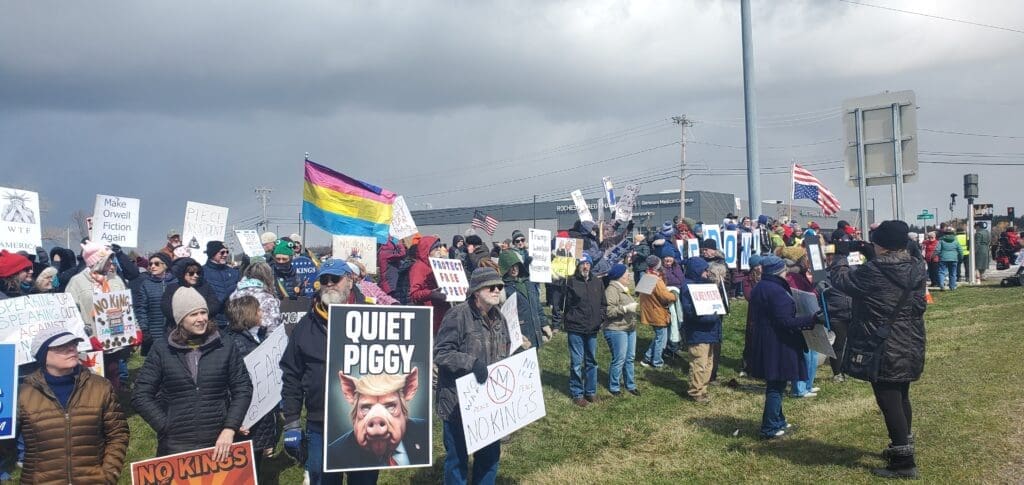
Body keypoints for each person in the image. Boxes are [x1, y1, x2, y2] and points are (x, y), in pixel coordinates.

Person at [829, 220, 927, 479]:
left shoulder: (873, 270)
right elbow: (894, 268)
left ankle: (904, 462)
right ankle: (902, 445)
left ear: (881, 244)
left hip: (883, 342)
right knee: (901, 394)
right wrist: (874, 253)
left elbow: (842, 280)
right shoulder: (916, 266)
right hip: (910, 339)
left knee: (889, 399)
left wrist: (840, 254)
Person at [280, 260, 378, 485]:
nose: (330, 284)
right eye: (324, 280)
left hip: (364, 422)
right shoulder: (306, 326)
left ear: (350, 281)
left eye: (335, 278)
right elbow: (291, 375)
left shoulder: (373, 318)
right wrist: (292, 421)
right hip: (320, 423)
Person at [133, 286, 253, 458]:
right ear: (180, 319)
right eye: (193, 314)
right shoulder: (162, 349)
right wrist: (165, 425)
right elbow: (140, 395)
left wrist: (229, 428)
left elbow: (243, 388)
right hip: (176, 443)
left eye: (203, 313)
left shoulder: (225, 345)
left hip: (219, 441)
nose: (201, 319)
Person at [17, 325, 129, 484]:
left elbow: (118, 433)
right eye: (62, 347)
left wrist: (108, 473)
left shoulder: (101, 387)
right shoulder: (23, 394)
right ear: (43, 355)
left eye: (73, 344)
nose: (72, 349)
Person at [435, 267, 511, 484]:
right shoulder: (457, 315)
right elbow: (441, 353)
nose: (497, 290)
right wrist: (471, 363)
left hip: (490, 401)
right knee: (457, 459)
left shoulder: (500, 317)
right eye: (492, 286)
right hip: (458, 402)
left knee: (489, 456)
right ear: (477, 291)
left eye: (500, 286)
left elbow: (505, 347)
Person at [746, 255, 818, 439]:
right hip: (777, 342)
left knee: (777, 383)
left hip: (767, 340)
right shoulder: (775, 290)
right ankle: (769, 427)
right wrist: (811, 320)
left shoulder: (762, 286)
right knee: (776, 385)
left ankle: (778, 420)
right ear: (779, 270)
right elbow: (785, 321)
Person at [64, 242, 132, 390]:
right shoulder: (77, 282)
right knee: (93, 378)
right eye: (108, 259)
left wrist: (134, 329)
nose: (111, 262)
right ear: (97, 261)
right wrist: (87, 337)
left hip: (113, 337)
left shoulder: (115, 280)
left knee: (113, 373)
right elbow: (71, 314)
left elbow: (126, 307)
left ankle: (113, 407)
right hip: (91, 341)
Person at [224, 295, 278, 468]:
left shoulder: (255, 337)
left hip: (259, 409)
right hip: (246, 414)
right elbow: (233, 385)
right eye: (258, 310)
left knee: (255, 462)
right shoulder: (237, 344)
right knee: (245, 466)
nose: (261, 313)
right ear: (249, 314)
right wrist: (237, 419)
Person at [562, 254, 606, 407]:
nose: (585, 267)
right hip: (576, 327)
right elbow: (563, 304)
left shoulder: (597, 282)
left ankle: (590, 392)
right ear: (577, 266)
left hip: (592, 328)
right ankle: (577, 393)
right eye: (582, 264)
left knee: (592, 361)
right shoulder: (571, 282)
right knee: (576, 362)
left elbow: (603, 304)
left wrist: (600, 318)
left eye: (587, 263)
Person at [679, 257, 722, 403]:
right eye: (704, 270)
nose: (707, 272)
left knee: (708, 362)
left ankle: (703, 388)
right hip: (698, 331)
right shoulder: (687, 287)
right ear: (696, 270)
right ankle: (695, 391)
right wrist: (708, 317)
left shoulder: (704, 284)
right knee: (699, 362)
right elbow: (690, 311)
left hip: (709, 330)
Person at [601, 263, 640, 396]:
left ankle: (630, 384)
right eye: (626, 275)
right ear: (619, 277)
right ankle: (614, 386)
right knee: (619, 358)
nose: (629, 276)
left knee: (630, 358)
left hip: (629, 327)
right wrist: (625, 308)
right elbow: (608, 311)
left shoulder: (624, 288)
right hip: (616, 329)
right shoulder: (611, 290)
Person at [499, 250, 548, 348]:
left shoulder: (528, 283)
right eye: (510, 267)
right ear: (504, 269)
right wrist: (514, 336)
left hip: (535, 332)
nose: (514, 269)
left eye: (516, 265)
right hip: (520, 336)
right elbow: (503, 318)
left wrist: (544, 324)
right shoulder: (503, 289)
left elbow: (537, 305)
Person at [131, 252, 177, 354]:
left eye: (156, 264)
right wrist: (144, 330)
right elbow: (141, 309)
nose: (152, 266)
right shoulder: (146, 284)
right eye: (150, 264)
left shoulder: (176, 282)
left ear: (166, 265)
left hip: (173, 331)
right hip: (153, 333)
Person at [160, 257, 221, 332]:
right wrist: (187, 317)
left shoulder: (205, 286)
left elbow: (215, 305)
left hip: (203, 326)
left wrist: (199, 314)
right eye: (191, 273)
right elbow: (166, 308)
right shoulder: (172, 288)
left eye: (198, 273)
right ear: (183, 274)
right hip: (178, 329)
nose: (195, 275)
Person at [639, 255, 676, 369]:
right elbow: (665, 296)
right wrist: (674, 295)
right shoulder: (656, 280)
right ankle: (657, 361)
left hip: (648, 310)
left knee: (658, 336)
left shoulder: (646, 276)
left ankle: (647, 358)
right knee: (661, 338)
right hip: (658, 312)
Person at [408, 235, 452, 334]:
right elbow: (414, 293)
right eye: (436, 248)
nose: (439, 250)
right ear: (427, 249)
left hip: (442, 312)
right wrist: (431, 293)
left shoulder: (438, 265)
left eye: (440, 247)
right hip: (430, 315)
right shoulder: (419, 267)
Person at [229, 260, 284, 334]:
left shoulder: (234, 295)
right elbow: (272, 329)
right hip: (260, 341)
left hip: (238, 338)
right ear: (268, 277)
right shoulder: (267, 299)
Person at [203, 241, 240, 328]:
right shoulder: (202, 272)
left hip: (233, 319)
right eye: (222, 252)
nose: (225, 255)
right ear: (212, 253)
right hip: (214, 321)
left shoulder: (234, 272)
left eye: (227, 252)